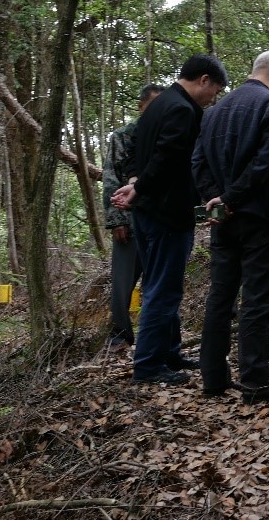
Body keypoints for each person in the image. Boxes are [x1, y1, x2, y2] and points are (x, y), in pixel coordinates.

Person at [192, 51, 269, 403]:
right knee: (258, 299)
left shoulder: (213, 112)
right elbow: (266, 163)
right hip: (264, 217)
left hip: (224, 220)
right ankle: (256, 381)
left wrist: (216, 200)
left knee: (220, 297)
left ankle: (213, 378)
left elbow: (198, 162)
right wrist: (231, 198)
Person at [112, 53, 228, 385]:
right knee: (162, 289)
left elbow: (135, 150)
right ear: (203, 80)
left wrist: (135, 182)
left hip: (148, 212)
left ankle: (170, 352)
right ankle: (148, 365)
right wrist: (139, 187)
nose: (213, 98)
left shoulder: (159, 104)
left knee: (160, 284)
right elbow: (167, 158)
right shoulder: (182, 109)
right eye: (215, 90)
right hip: (166, 214)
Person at [103, 84, 165, 351]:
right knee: (123, 281)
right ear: (141, 107)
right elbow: (111, 178)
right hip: (128, 219)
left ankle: (154, 336)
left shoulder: (167, 136)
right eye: (153, 105)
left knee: (157, 281)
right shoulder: (123, 136)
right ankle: (120, 334)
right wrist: (116, 219)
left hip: (159, 221)